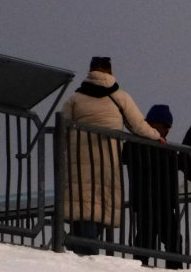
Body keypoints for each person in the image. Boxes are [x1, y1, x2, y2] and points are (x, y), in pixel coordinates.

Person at [56, 57, 160, 253]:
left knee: (82, 207)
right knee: (100, 208)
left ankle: (75, 246)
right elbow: (138, 126)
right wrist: (157, 137)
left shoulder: (75, 99)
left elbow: (61, 129)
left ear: (90, 71)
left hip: (78, 163)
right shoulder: (120, 97)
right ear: (110, 71)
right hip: (107, 163)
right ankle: (86, 252)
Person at [125, 103, 187, 266]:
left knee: (167, 240)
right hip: (152, 201)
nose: (167, 130)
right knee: (152, 239)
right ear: (152, 123)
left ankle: (167, 271)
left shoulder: (162, 148)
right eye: (165, 126)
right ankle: (150, 270)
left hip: (159, 202)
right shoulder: (138, 144)